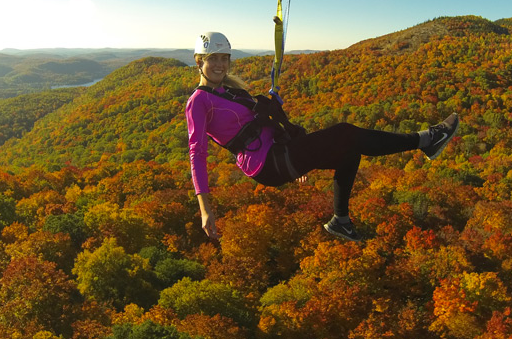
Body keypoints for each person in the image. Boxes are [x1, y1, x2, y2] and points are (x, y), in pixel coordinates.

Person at [185, 31, 459, 243]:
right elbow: (197, 153)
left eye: (224, 58)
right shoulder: (199, 101)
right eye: (213, 59)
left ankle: (341, 220)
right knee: (345, 133)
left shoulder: (228, 91)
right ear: (199, 62)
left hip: (279, 151)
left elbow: (256, 123)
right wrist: (205, 208)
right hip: (267, 163)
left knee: (349, 153)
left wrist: (293, 144)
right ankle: (426, 140)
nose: (220, 65)